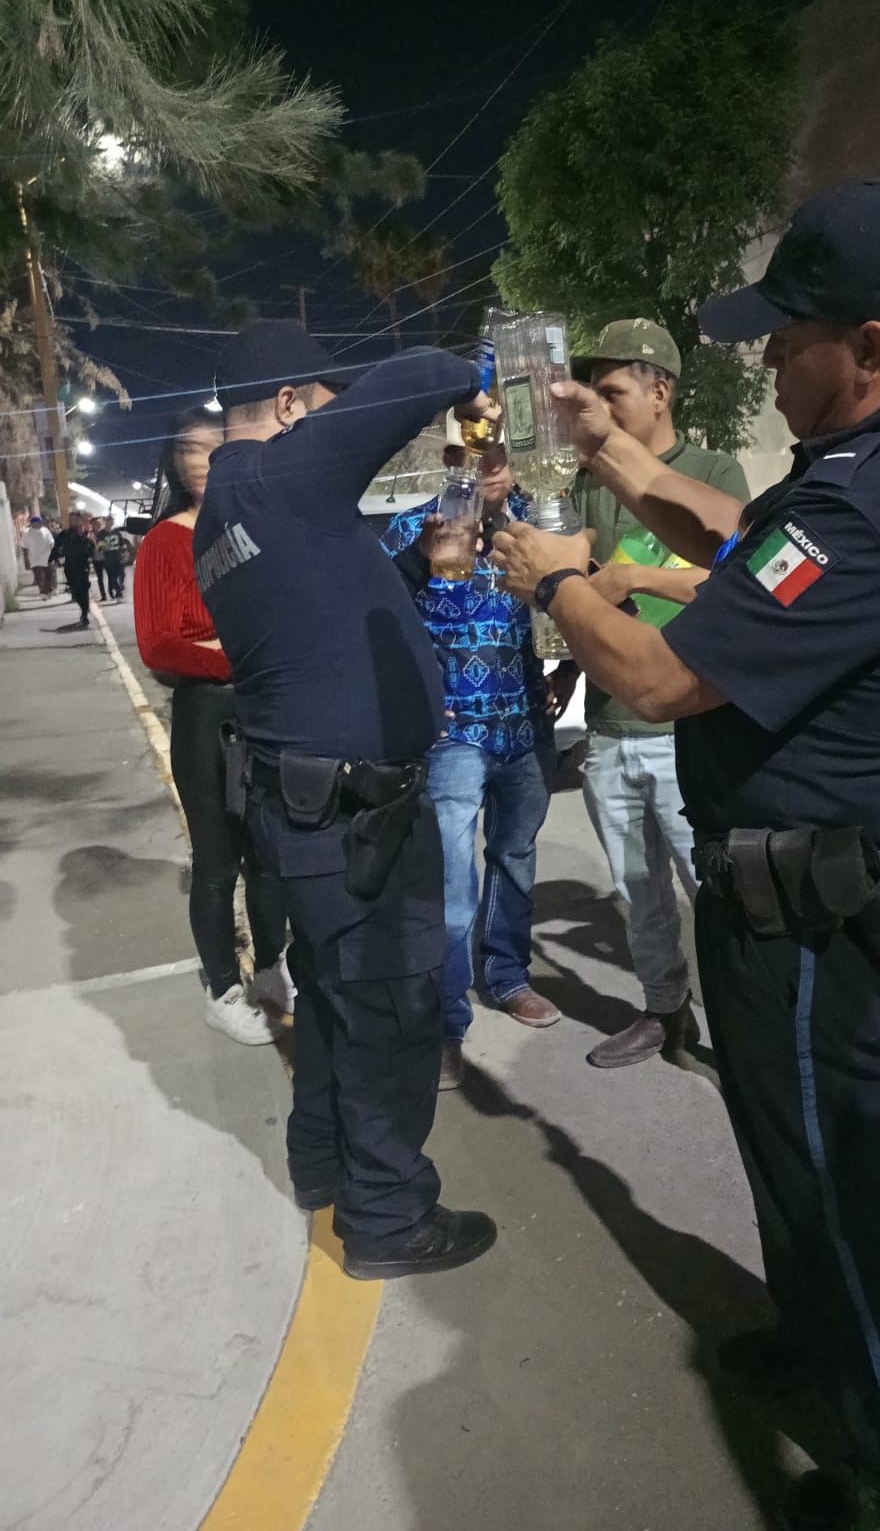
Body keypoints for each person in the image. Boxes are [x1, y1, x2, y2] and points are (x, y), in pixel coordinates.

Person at [494, 180, 880, 1531]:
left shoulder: (871, 503)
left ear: (872, 344)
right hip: (818, 886)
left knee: (841, 1186)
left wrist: (555, 580)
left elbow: (661, 679)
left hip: (811, 912)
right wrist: (615, 454)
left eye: (790, 334)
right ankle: (827, 1348)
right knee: (790, 1157)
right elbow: (742, 540)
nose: (767, 354)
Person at [195, 318, 498, 1281]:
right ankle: (388, 1218)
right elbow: (420, 372)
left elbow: (314, 609)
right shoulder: (277, 475)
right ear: (289, 406)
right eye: (321, 403)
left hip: (307, 813)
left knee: (332, 1001)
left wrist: (414, 562)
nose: (330, 418)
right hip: (357, 819)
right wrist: (487, 377)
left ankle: (322, 1165)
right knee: (391, 1016)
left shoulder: (229, 512)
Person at [555, 319, 749, 1068]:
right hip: (610, 728)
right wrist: (568, 666)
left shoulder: (713, 472)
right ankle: (665, 1013)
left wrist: (636, 577)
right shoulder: (587, 481)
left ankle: (746, 1029)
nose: (597, 406)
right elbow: (578, 585)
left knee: (716, 894)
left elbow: (740, 580)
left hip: (689, 729)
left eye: (612, 392)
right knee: (639, 895)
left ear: (660, 390)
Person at [380, 438, 562, 1092]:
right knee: (452, 891)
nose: (489, 471)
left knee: (515, 860)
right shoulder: (416, 530)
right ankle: (446, 1024)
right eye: (475, 459)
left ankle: (507, 976)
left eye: (499, 458)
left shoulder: (537, 528)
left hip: (525, 728)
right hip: (452, 739)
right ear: (453, 463)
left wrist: (567, 673)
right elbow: (382, 626)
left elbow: (572, 604)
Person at [134, 407, 292, 1045]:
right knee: (218, 861)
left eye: (212, 448)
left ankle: (274, 969)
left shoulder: (254, 527)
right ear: (174, 463)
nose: (201, 462)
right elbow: (159, 645)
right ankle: (224, 990)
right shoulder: (163, 542)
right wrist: (242, 657)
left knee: (271, 854)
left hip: (264, 709)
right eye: (189, 451)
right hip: (208, 717)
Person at [51, 511, 96, 628]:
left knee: (83, 589)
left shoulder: (86, 534)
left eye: (75, 519)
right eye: (71, 520)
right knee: (76, 591)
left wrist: (91, 554)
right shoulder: (65, 534)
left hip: (82, 565)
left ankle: (84, 615)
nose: (73, 522)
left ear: (80, 520)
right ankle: (84, 609)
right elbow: (57, 547)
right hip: (70, 565)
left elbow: (92, 548)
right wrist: (53, 558)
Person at [96, 516, 132, 601]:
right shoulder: (101, 533)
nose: (110, 523)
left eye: (112, 521)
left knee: (121, 574)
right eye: (109, 521)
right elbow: (99, 546)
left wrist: (124, 552)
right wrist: (105, 545)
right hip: (108, 557)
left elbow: (122, 543)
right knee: (111, 576)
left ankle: (116, 588)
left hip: (117, 556)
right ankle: (118, 591)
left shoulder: (116, 532)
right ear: (105, 522)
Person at [20, 515, 55, 597]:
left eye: (40, 523)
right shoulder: (26, 533)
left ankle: (48, 589)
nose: (39, 524)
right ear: (32, 524)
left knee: (48, 574)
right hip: (34, 558)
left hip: (46, 556)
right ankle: (42, 591)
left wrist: (52, 548)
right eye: (36, 523)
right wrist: (26, 559)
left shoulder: (45, 530)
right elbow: (24, 546)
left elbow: (51, 541)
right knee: (39, 575)